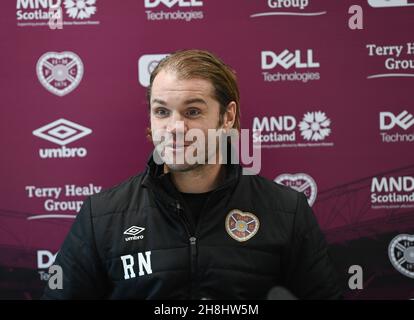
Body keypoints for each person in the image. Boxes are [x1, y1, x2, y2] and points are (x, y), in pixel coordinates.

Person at [42, 49, 342, 299]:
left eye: (193, 112)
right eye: (162, 112)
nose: (175, 128)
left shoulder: (286, 212)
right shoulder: (102, 216)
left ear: (227, 117)